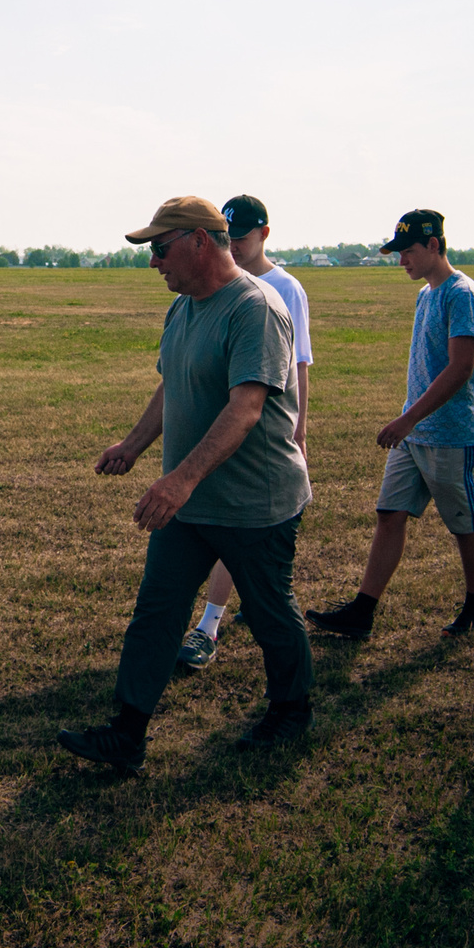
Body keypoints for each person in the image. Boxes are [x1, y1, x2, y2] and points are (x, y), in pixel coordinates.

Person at [56, 197, 314, 776]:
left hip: (255, 501)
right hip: (192, 503)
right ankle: (127, 733)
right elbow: (172, 385)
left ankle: (292, 710)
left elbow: (246, 409)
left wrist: (180, 480)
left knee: (270, 611)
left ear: (199, 242)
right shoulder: (183, 308)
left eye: (160, 248)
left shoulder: (255, 309)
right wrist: (133, 445)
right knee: (157, 610)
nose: (153, 262)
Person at [306, 209, 474, 640]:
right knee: (389, 514)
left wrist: (408, 418)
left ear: (434, 245)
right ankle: (362, 612)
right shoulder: (426, 295)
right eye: (398, 253)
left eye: (408, 251)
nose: (402, 260)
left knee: (464, 523)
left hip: (451, 434)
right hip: (416, 433)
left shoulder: (462, 295)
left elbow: (460, 368)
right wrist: (411, 420)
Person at [178, 194, 313, 670]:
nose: (233, 245)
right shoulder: (212, 284)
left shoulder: (283, 289)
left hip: (260, 436)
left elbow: (298, 365)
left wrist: (298, 432)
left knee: (246, 538)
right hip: (217, 429)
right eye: (227, 236)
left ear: (264, 234)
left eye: (242, 237)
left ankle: (209, 627)